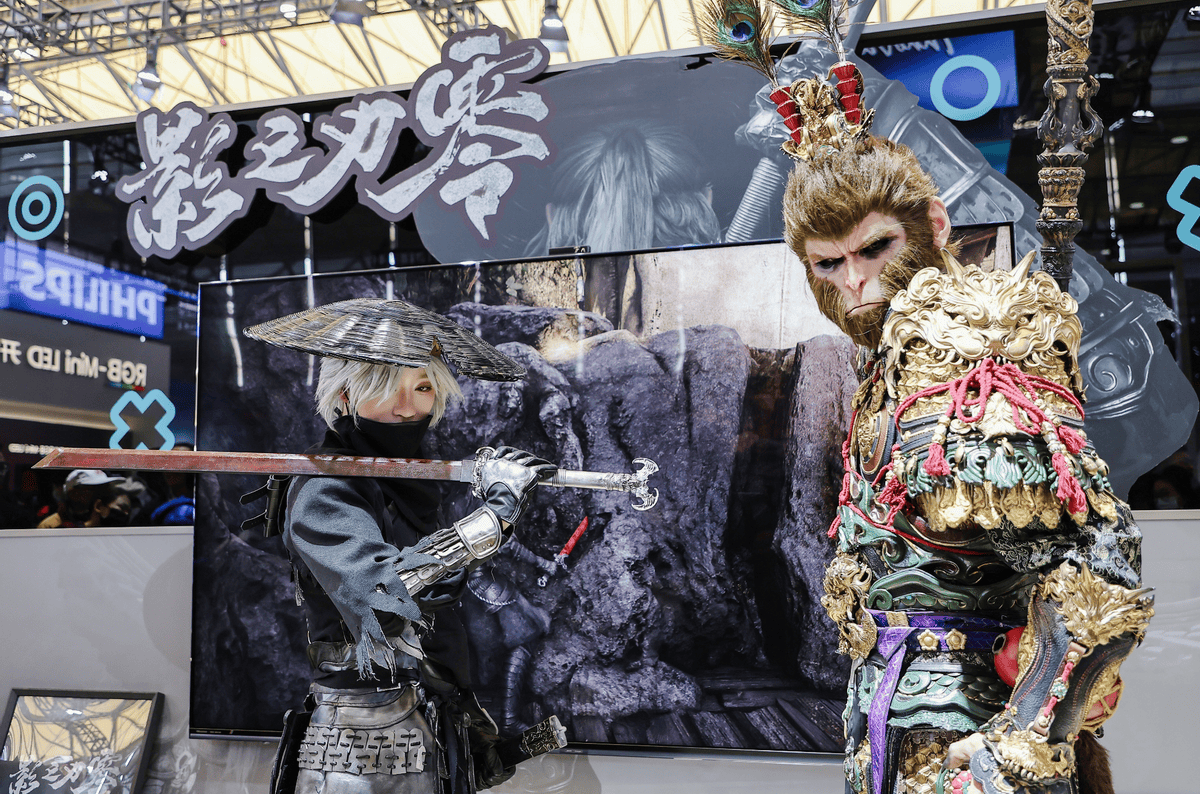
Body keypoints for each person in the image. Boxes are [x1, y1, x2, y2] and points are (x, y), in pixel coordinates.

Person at [694, 6, 1153, 790]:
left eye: (875, 247)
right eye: (828, 264)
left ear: (933, 223)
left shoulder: (973, 351)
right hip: (887, 716)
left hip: (967, 736)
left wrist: (1020, 741)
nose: (857, 282)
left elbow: (1098, 568)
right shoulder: (885, 364)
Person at [241, 298, 556, 794]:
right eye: (388, 387)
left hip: (427, 722)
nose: (409, 408)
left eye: (424, 387)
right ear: (345, 394)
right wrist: (493, 517)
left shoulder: (406, 488)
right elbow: (387, 598)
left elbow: (435, 606)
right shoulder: (324, 488)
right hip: (359, 743)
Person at [36, 469, 126, 529]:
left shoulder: (113, 522)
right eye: (95, 489)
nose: (104, 494)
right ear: (73, 493)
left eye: (106, 488)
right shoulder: (50, 526)